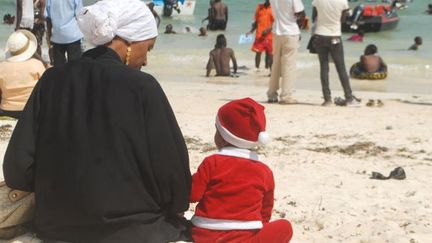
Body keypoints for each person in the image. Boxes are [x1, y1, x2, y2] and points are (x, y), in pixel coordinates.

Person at [3, 0, 191, 242]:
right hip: (135, 229)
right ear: (130, 42)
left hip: (57, 226)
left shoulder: (52, 80)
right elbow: (172, 174)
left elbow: (17, 169)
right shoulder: (143, 87)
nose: (146, 61)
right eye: (149, 48)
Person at [190, 97, 293, 243]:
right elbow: (265, 210)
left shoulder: (211, 162)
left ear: (224, 137)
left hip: (204, 235)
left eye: (217, 129)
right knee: (285, 227)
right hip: (243, 238)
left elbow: (193, 194)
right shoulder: (264, 172)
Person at [312, 0, 360, 107]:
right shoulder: (342, 1)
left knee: (324, 67)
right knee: (341, 67)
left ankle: (327, 99)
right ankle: (349, 97)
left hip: (320, 35)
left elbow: (314, 16)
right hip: (334, 36)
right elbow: (342, 20)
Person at [0, 30, 45, 119]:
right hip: (32, 110)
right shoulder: (36, 64)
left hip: (7, 110)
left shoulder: (2, 66)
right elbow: (45, 88)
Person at [267, 0, 305, 104]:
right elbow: (300, 13)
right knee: (289, 65)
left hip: (277, 31)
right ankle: (286, 95)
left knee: (276, 64)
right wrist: (299, 26)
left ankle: (272, 93)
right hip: (290, 31)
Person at [45, 0, 84, 66]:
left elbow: (48, 19)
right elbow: (80, 15)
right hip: (73, 35)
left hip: (57, 37)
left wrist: (49, 41)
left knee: (59, 70)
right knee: (75, 69)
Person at [246, 0, 274, 72]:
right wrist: (251, 31)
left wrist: (268, 30)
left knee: (269, 54)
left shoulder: (274, 8)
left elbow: (276, 23)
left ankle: (267, 69)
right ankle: (257, 69)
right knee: (258, 53)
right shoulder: (259, 7)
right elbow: (256, 22)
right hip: (259, 35)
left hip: (270, 36)